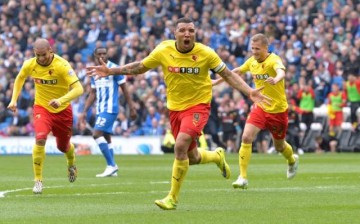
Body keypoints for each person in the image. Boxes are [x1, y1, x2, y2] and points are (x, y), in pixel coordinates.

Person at [86, 17, 271, 210]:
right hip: (175, 109)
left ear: (195, 33)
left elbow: (228, 74)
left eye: (191, 30)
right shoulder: (164, 50)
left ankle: (172, 198)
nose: (187, 34)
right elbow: (140, 66)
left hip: (198, 107)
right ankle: (217, 156)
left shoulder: (206, 53)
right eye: (182, 30)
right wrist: (112, 71)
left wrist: (249, 91)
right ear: (175, 33)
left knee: (180, 145)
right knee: (192, 157)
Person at [217, 33, 299, 189]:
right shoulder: (251, 62)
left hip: (277, 110)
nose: (254, 52)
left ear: (266, 48)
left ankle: (292, 160)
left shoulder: (273, 60)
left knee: (279, 146)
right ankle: (243, 177)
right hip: (260, 106)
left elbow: (281, 70)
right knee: (246, 137)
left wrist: (276, 79)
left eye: (257, 49)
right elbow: (235, 72)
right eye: (252, 48)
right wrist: (217, 81)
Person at [7, 38, 84, 194]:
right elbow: (20, 78)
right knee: (40, 137)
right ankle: (38, 181)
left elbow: (79, 89)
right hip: (42, 108)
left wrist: (61, 100)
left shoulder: (62, 65)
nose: (41, 59)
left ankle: (71, 163)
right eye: (38, 55)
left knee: (63, 147)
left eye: (44, 55)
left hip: (62, 110)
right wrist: (13, 100)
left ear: (51, 51)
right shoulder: (30, 64)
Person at [79, 47, 137, 177]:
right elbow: (92, 93)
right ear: (95, 56)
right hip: (100, 109)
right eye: (99, 54)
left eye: (104, 54)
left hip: (110, 109)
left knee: (96, 134)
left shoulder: (114, 69)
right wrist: (84, 111)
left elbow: (125, 88)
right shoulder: (95, 71)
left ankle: (111, 165)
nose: (102, 56)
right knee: (106, 137)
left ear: (107, 55)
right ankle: (112, 169)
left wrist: (132, 107)